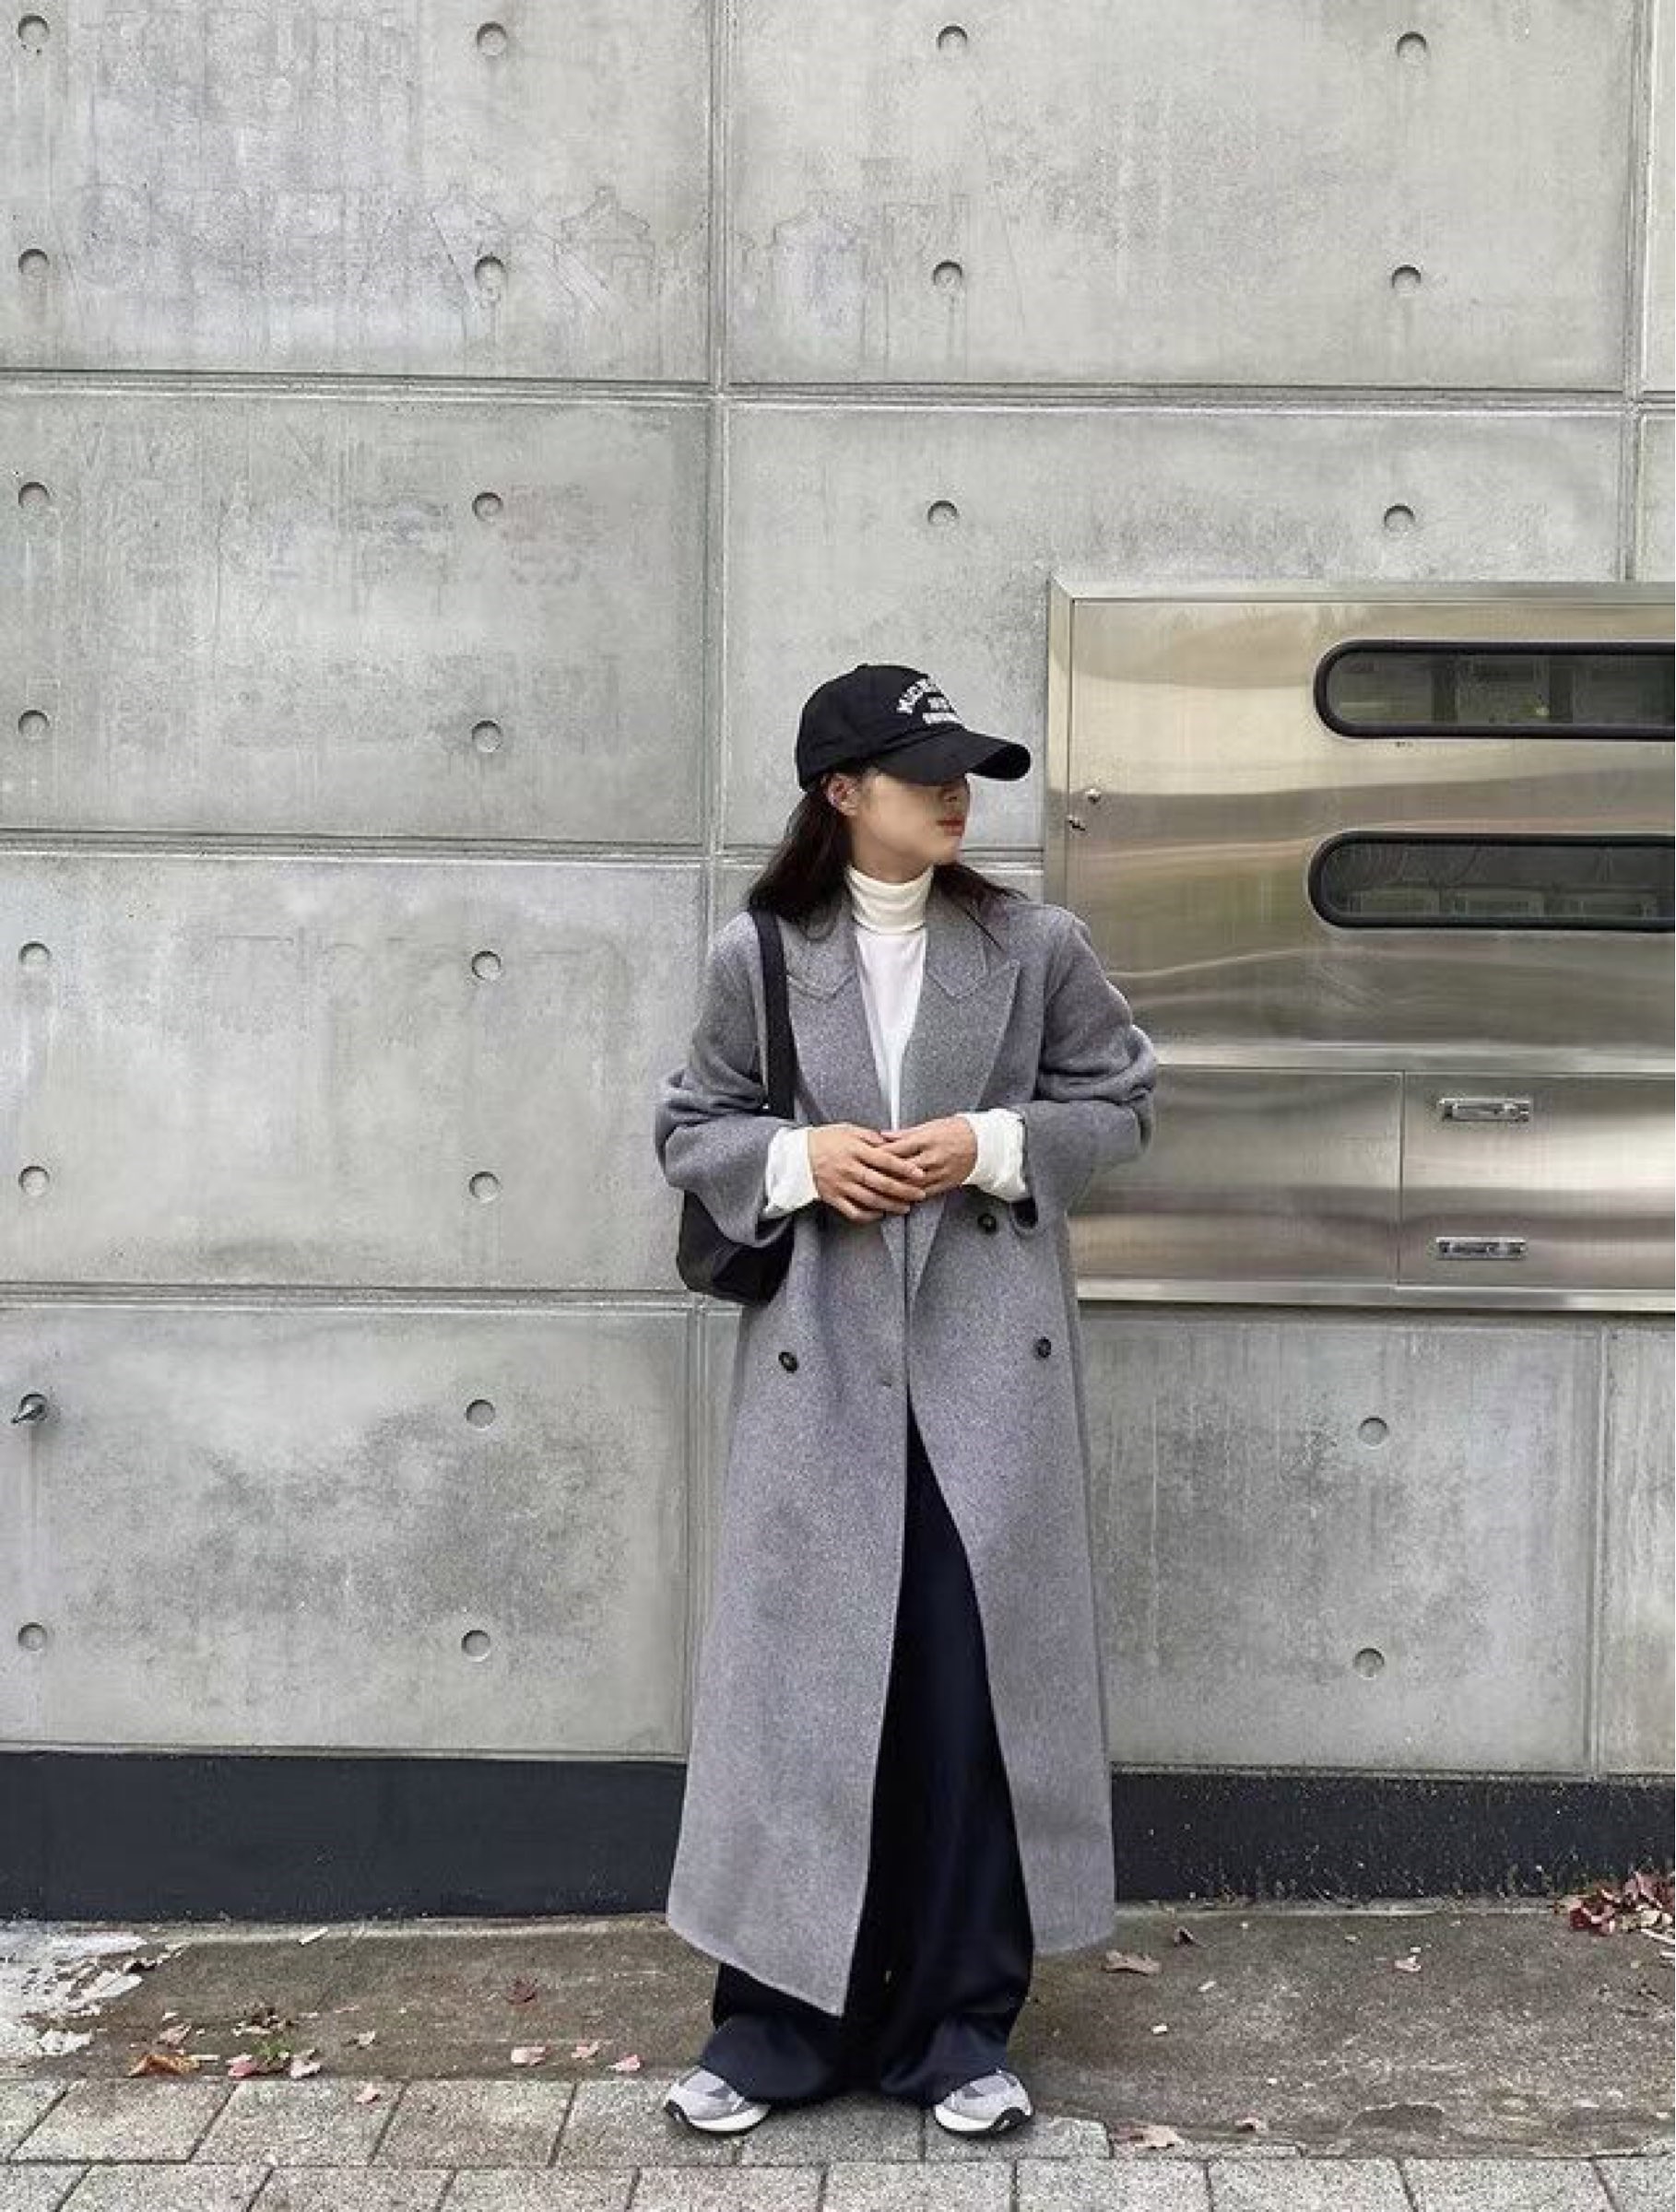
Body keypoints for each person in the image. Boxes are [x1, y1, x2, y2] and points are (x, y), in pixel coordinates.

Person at [651, 664, 1158, 2140]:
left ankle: (956, 2032)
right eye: (923, 772)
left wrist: (992, 1143)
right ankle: (775, 2032)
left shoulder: (1032, 943)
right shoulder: (758, 952)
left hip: (987, 1378)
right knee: (806, 1700)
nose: (954, 795)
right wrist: (799, 1162)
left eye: (964, 773)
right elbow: (691, 1125)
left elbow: (1123, 1098)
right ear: (840, 793)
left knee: (960, 1702)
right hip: (820, 1375)